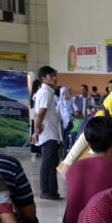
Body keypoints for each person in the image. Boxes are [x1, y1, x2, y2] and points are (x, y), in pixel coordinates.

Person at [31, 66, 62, 200]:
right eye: (51, 76)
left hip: (51, 132)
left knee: (53, 162)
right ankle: (46, 190)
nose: (54, 78)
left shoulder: (45, 91)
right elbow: (40, 113)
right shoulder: (46, 92)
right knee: (48, 163)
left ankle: (53, 191)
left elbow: (38, 113)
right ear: (43, 78)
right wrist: (36, 131)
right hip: (48, 133)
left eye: (55, 75)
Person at [57, 86, 77, 153]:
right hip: (63, 123)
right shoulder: (59, 103)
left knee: (68, 138)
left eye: (66, 94)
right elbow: (57, 113)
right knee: (64, 138)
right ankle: (65, 153)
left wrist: (75, 116)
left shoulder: (71, 102)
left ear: (69, 94)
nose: (65, 96)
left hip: (70, 123)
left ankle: (66, 153)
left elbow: (76, 110)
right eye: (63, 94)